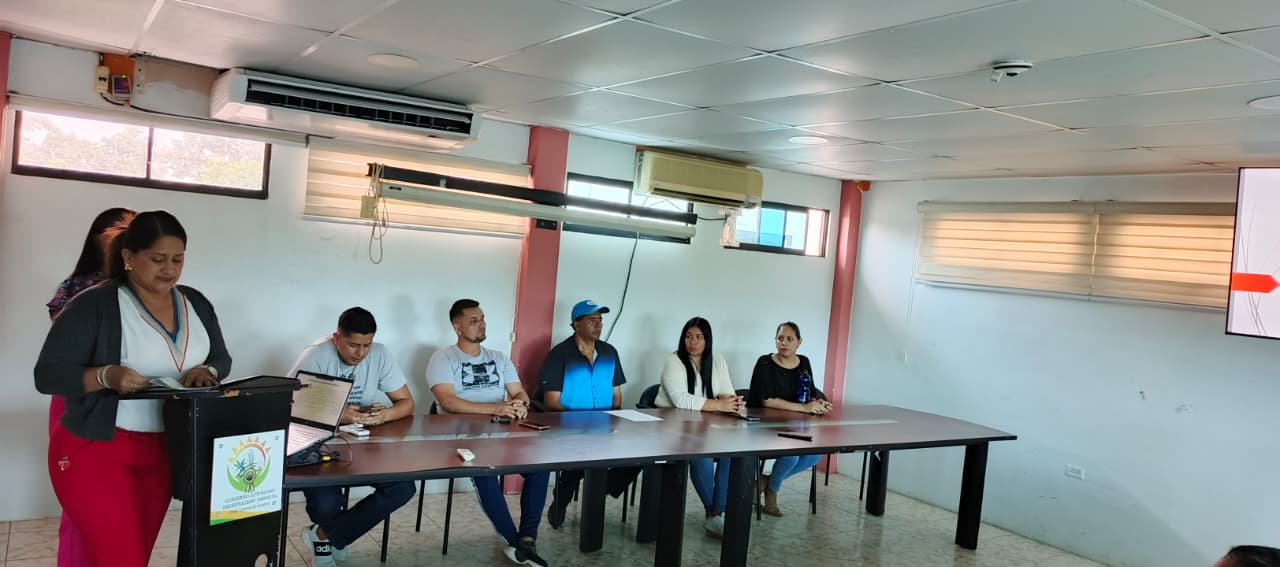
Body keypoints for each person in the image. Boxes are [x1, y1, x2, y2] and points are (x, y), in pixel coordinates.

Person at [35, 210, 231, 567]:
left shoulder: (195, 302)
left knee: (133, 556)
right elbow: (47, 375)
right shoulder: (94, 304)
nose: (169, 269)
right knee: (123, 559)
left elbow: (221, 357)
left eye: (177, 259)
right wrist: (105, 376)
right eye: (158, 259)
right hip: (96, 450)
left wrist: (208, 370)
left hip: (163, 451)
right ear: (128, 257)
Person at [288, 307, 417, 567]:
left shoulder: (380, 354)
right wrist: (340, 415)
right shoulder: (316, 355)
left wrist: (385, 415)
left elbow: (407, 403)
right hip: (316, 446)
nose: (360, 353)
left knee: (403, 487)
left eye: (366, 345)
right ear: (337, 338)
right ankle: (330, 536)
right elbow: (292, 408)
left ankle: (323, 536)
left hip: (361, 446)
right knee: (326, 505)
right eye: (353, 345)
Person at [426, 299, 550, 566]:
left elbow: (519, 392)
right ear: (457, 327)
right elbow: (447, 402)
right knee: (486, 473)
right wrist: (496, 407)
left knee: (540, 467)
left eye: (482, 318)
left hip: (502, 432)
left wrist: (521, 404)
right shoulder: (443, 358)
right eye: (474, 320)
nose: (481, 324)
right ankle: (514, 542)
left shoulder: (499, 357)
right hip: (459, 436)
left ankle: (527, 539)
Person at [45, 207, 135, 567]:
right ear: (99, 239)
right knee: (82, 502)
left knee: (123, 505)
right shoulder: (77, 288)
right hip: (80, 400)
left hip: (128, 406)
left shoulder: (143, 290)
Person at [537, 299, 638, 529]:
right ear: (576, 323)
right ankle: (563, 499)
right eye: (592, 320)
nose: (598, 325)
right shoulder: (559, 355)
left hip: (605, 425)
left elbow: (616, 396)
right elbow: (551, 402)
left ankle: (600, 488)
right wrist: (582, 422)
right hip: (569, 427)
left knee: (641, 453)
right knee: (584, 453)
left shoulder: (609, 352)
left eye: (600, 320)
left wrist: (611, 421)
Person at [654, 317, 743, 538]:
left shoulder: (718, 361)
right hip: (673, 425)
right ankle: (716, 513)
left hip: (705, 425)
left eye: (699, 337)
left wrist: (732, 403)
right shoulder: (674, 361)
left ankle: (716, 513)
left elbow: (726, 392)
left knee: (730, 452)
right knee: (701, 454)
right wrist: (719, 405)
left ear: (708, 340)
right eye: (688, 336)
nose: (692, 342)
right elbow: (681, 400)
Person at [745, 321, 831, 517]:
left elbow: (809, 394)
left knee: (815, 455)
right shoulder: (765, 363)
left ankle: (766, 482)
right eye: (780, 338)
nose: (784, 343)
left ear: (799, 341)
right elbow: (766, 400)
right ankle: (773, 492)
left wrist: (819, 404)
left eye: (789, 339)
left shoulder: (804, 362)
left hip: (793, 426)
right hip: (764, 426)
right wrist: (803, 408)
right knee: (791, 455)